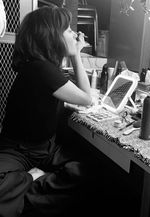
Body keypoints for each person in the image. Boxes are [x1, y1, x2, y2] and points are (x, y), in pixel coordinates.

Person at [0, 6, 93, 217]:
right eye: (68, 30)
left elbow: (77, 98)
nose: (73, 34)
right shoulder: (41, 68)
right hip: (18, 151)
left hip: (46, 149)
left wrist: (74, 53)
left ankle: (23, 195)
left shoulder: (45, 67)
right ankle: (32, 181)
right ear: (52, 36)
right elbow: (87, 98)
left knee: (81, 171)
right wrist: (77, 54)